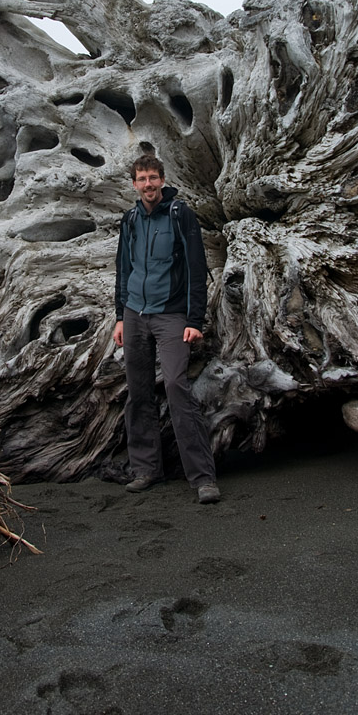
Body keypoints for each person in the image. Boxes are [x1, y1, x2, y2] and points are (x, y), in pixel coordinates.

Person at [114, 154, 220, 504]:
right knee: (138, 392)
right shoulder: (129, 220)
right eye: (142, 179)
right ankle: (146, 469)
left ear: (162, 180)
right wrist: (119, 315)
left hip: (171, 315)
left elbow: (196, 267)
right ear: (134, 184)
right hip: (134, 315)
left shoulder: (179, 214)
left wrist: (194, 320)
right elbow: (123, 271)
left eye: (153, 178)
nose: (148, 184)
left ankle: (203, 477)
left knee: (177, 386)